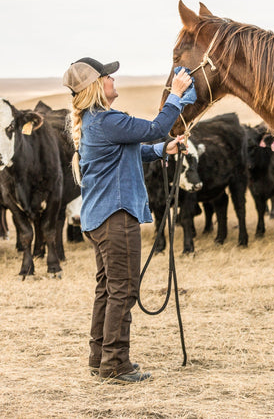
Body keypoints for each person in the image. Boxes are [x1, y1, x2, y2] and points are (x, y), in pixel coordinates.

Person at [63, 57, 196, 384]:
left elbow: (132, 150)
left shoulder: (97, 122)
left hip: (100, 217)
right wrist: (176, 95)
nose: (113, 80)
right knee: (122, 290)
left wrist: (163, 150)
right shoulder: (107, 120)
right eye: (109, 76)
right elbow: (152, 128)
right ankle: (115, 364)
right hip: (116, 217)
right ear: (97, 86)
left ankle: (100, 357)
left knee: (108, 290)